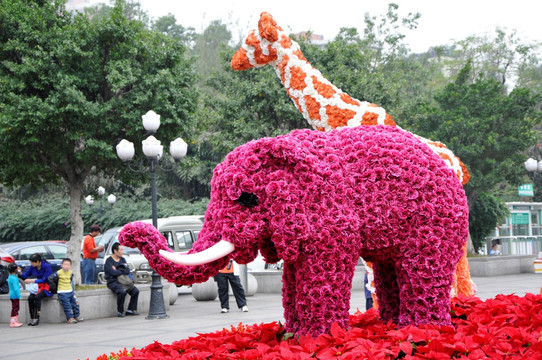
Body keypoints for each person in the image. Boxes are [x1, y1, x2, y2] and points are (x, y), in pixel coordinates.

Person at [105, 243, 139, 317]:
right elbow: (112, 273)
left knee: (135, 291)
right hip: (113, 282)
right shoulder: (109, 261)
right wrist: (120, 270)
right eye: (121, 250)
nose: (122, 252)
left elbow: (127, 271)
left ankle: (131, 309)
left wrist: (116, 270)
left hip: (124, 281)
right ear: (115, 251)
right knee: (122, 291)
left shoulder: (123, 259)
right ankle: (120, 311)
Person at [19, 253, 53, 326]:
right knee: (30, 298)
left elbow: (45, 280)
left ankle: (36, 318)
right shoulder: (32, 267)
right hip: (38, 286)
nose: (31, 264)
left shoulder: (46, 266)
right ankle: (32, 318)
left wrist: (31, 281)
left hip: (47, 286)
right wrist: (20, 272)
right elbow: (25, 276)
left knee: (37, 297)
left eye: (32, 262)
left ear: (38, 261)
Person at [56, 258, 83, 324]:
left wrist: (73, 291)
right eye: (65, 264)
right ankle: (70, 318)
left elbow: (71, 282)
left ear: (70, 266)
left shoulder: (70, 273)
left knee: (76, 303)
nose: (66, 266)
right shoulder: (58, 273)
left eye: (68, 265)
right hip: (62, 292)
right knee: (67, 305)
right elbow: (53, 280)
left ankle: (77, 315)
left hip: (70, 291)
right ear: (62, 265)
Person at [8, 263, 23, 327]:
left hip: (12, 295)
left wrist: (19, 271)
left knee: (15, 308)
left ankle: (15, 321)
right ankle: (13, 322)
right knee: (15, 308)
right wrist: (19, 296)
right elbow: (16, 289)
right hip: (15, 296)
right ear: (15, 270)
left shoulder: (10, 277)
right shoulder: (14, 278)